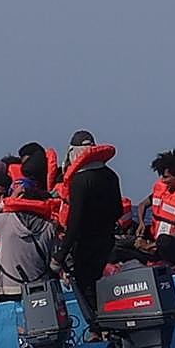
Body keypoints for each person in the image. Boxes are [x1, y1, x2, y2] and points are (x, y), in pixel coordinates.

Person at [50, 130, 122, 325]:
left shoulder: (80, 181)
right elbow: (117, 210)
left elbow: (75, 221)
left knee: (86, 286)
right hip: (107, 243)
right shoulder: (111, 176)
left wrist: (60, 255)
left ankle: (97, 329)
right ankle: (111, 325)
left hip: (86, 245)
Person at [0, 181, 59, 301]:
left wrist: (5, 202)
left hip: (10, 287)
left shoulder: (6, 220)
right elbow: (54, 263)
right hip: (40, 287)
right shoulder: (49, 227)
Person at [125, 149, 175, 265]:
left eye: (166, 177)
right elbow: (143, 205)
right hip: (155, 241)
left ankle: (154, 254)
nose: (162, 180)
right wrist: (141, 224)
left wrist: (150, 245)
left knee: (164, 240)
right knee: (127, 231)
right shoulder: (165, 192)